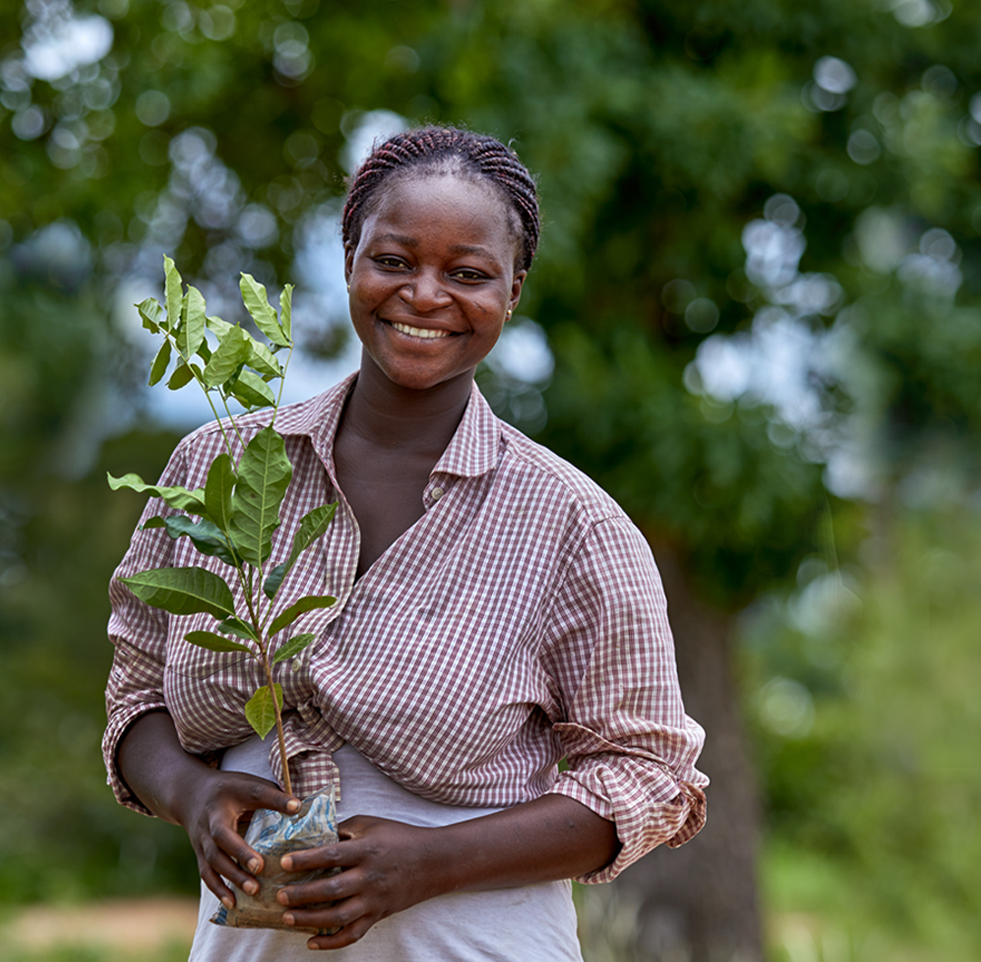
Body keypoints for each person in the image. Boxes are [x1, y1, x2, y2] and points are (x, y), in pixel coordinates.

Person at [103, 127, 707, 958]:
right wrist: (192, 795)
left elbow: (650, 775)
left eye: (468, 274)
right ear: (350, 259)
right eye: (394, 260)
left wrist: (432, 861)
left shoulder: (574, 525)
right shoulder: (225, 468)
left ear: (513, 292)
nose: (425, 296)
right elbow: (137, 695)